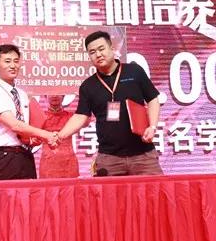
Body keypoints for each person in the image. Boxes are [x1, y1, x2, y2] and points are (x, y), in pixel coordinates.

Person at [57, 31, 163, 176]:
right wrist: (60, 136)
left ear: (112, 48)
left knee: (154, 191)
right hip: (109, 159)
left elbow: (152, 99)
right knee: (106, 192)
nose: (98, 54)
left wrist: (152, 127)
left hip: (143, 155)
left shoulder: (134, 71)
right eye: (92, 52)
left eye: (101, 49)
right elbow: (81, 115)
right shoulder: (88, 86)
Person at [0, 43, 58, 180]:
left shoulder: (22, 94)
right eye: (7, 61)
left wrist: (36, 137)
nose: (13, 65)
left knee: (30, 194)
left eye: (16, 61)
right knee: (4, 195)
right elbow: (15, 125)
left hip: (25, 155)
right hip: (4, 158)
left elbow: (28, 125)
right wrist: (46, 135)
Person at [38, 95, 79, 179]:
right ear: (45, 96)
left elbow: (86, 120)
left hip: (69, 162)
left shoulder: (72, 117)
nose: (55, 95)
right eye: (51, 93)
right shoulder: (40, 116)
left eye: (58, 93)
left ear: (63, 96)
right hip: (48, 163)